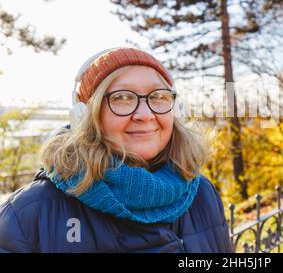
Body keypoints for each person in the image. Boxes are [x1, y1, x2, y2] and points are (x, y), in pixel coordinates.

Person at [0, 47, 234, 253]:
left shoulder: (202, 192)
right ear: (84, 117)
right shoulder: (28, 214)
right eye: (122, 98)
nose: (145, 115)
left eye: (159, 96)